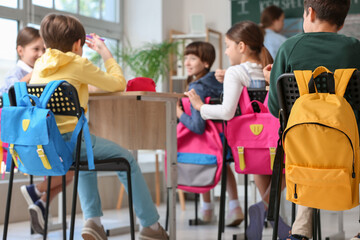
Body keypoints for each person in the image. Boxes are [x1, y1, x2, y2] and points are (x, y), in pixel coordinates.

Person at [30, 13, 168, 240]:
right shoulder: (77, 62)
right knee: (127, 160)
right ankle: (151, 226)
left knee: (86, 159)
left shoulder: (39, 64)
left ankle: (92, 222)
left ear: (45, 43)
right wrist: (105, 52)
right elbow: (118, 83)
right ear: (77, 45)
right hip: (72, 142)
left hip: (48, 144)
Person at [264, 0, 360, 239]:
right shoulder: (354, 47)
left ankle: (301, 229)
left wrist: (271, 81)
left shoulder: (289, 48)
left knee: (311, 147)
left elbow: (276, 108)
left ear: (311, 13)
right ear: (343, 20)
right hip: (352, 146)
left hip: (306, 149)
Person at [186, 20, 290, 239]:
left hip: (250, 144)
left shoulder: (235, 72)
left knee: (264, 167)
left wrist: (199, 107)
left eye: (228, 45)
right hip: (276, 138)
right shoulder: (270, 68)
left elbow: (226, 112)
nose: (226, 51)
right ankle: (269, 216)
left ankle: (262, 210)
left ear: (241, 47)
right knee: (289, 169)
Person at [1, 26, 74, 235]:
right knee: (70, 166)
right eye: (36, 49)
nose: (41, 54)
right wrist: (34, 74)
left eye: (44, 49)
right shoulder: (17, 74)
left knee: (70, 169)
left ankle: (40, 200)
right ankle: (38, 194)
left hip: (41, 136)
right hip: (27, 141)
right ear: (20, 50)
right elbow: (7, 95)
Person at [176, 41, 244, 226]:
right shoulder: (219, 79)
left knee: (203, 164)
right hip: (225, 135)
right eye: (186, 58)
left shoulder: (196, 87)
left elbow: (198, 127)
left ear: (206, 63)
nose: (187, 62)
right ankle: (235, 207)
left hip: (206, 140)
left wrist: (179, 113)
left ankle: (207, 211)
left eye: (193, 58)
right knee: (225, 168)